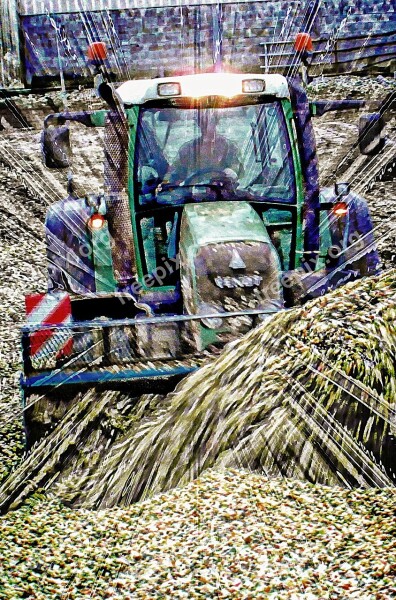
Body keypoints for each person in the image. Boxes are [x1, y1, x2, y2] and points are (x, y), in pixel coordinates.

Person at [167, 111, 244, 185]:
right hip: (192, 195)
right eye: (203, 122)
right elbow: (173, 176)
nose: (206, 126)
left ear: (216, 122)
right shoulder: (186, 150)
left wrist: (230, 173)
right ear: (198, 124)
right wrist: (176, 184)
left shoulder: (230, 148)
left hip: (222, 194)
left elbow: (238, 172)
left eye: (210, 121)